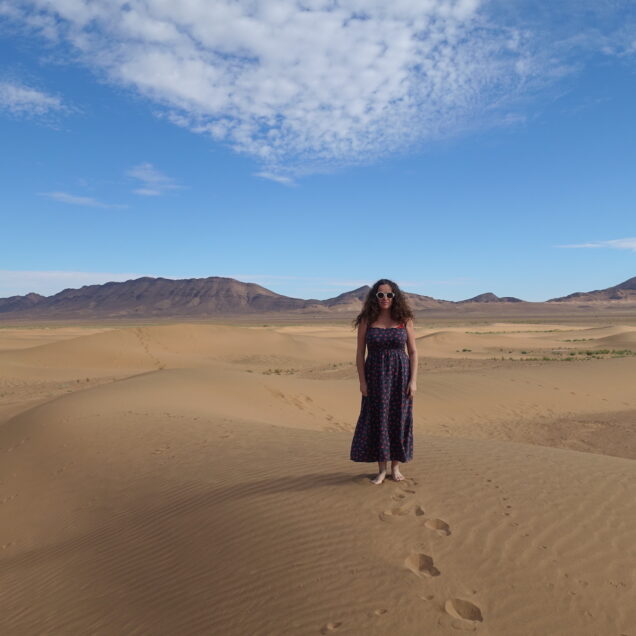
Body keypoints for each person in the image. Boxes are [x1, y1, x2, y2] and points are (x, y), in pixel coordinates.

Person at [350, 279, 418, 484]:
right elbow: (360, 353)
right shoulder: (367, 320)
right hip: (375, 377)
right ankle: (381, 469)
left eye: (389, 295)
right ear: (374, 297)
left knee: (398, 419)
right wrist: (362, 382)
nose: (385, 299)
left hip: (400, 377)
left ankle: (395, 467)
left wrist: (413, 380)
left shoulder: (404, 319)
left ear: (395, 296)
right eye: (380, 295)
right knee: (379, 420)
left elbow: (413, 352)